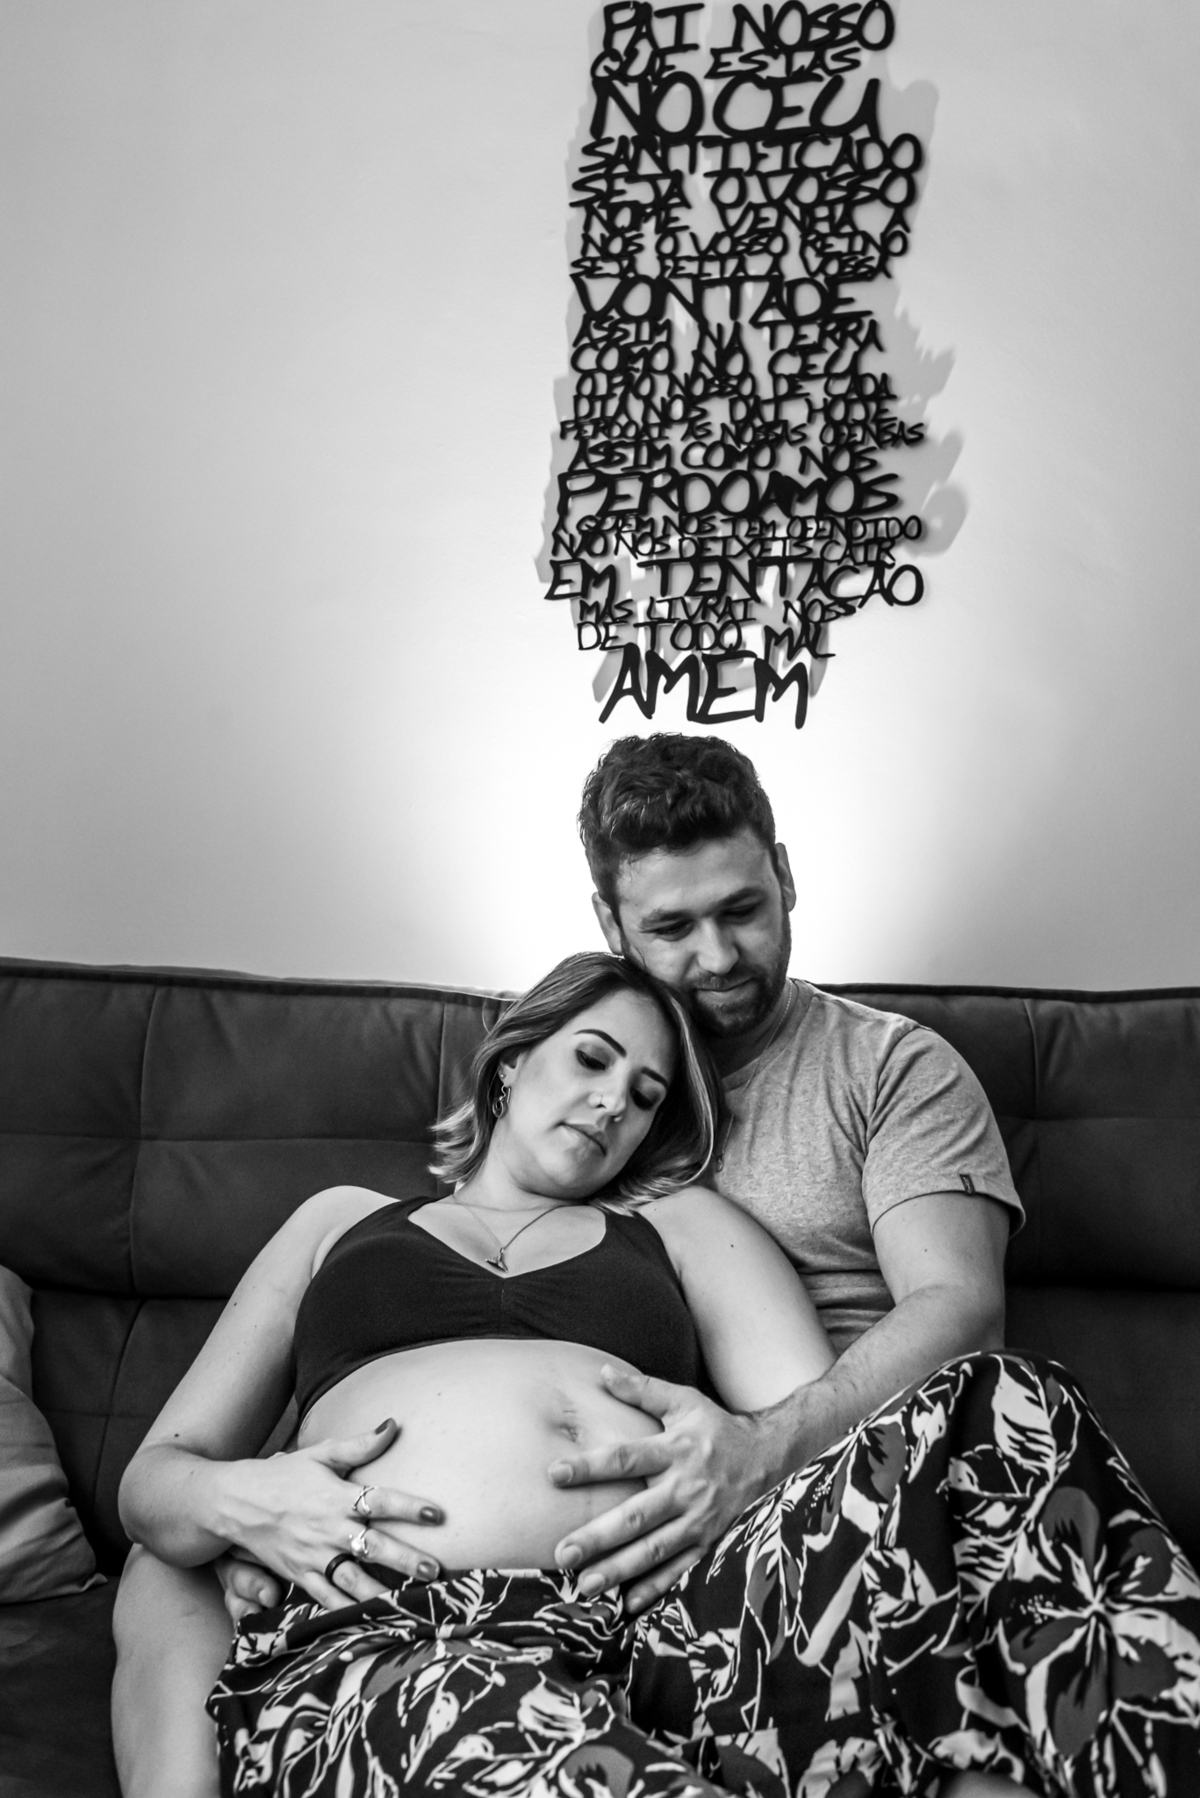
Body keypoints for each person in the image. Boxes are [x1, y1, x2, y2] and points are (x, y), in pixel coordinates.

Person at [113, 746, 1200, 1796]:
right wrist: (248, 1504)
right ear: (511, 1058)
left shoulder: (710, 1196)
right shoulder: (339, 1220)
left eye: (646, 1098)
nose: (613, 1103)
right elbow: (163, 1483)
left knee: (1002, 1396)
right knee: (456, 1698)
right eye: (592, 1058)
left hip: (667, 1610)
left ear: (786, 876)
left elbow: (883, 1380)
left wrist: (754, 1460)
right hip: (413, 1627)